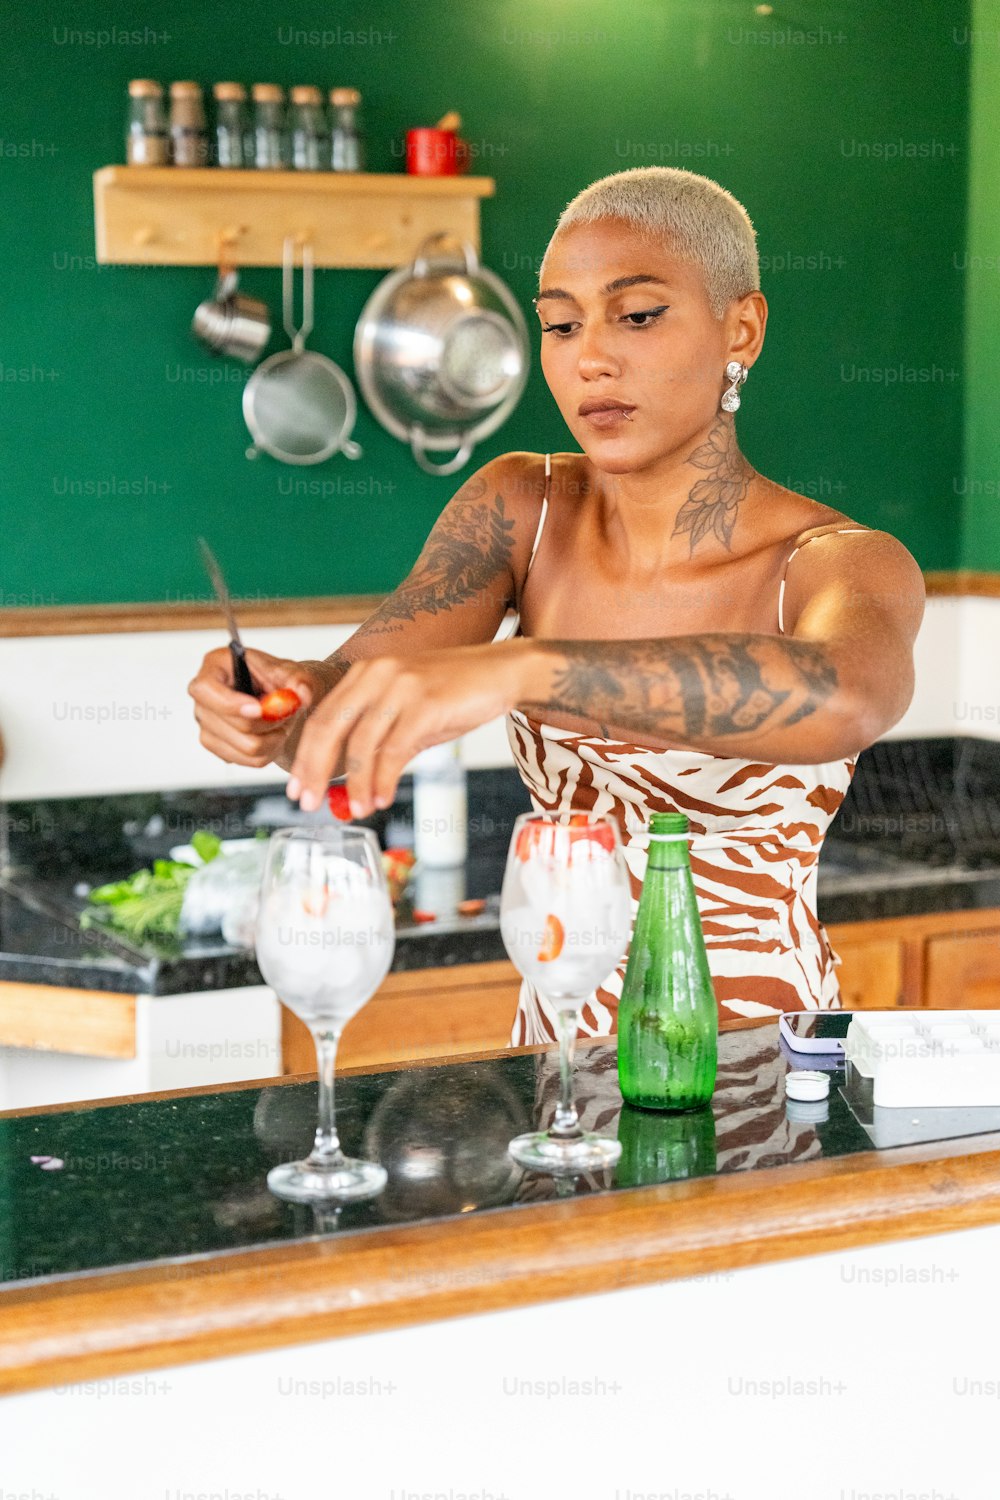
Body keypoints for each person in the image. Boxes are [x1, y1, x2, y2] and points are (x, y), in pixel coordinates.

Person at [189, 165, 925, 1042]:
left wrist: (522, 669)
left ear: (743, 329)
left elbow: (844, 697)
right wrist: (277, 706)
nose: (591, 358)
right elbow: (334, 729)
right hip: (560, 1049)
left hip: (765, 1066)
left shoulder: (838, 562)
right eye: (560, 325)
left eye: (638, 315)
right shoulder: (520, 509)